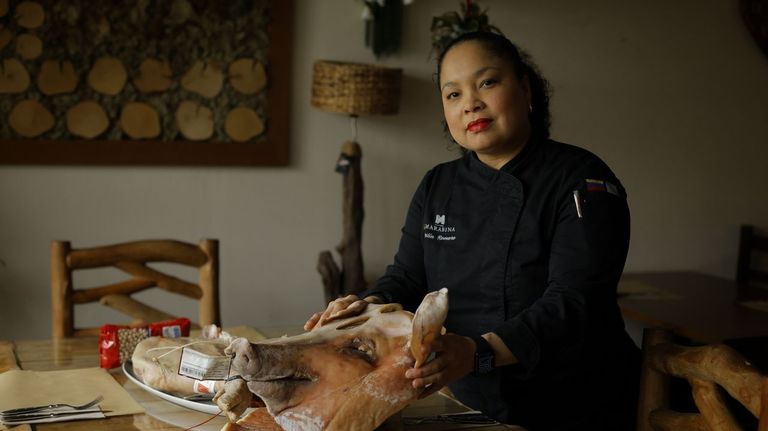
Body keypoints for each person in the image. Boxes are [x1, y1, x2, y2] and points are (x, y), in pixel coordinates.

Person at [305, 31, 640, 431]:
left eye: (487, 83)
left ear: (525, 89)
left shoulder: (581, 179)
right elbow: (409, 277)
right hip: (465, 397)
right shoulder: (438, 185)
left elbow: (575, 303)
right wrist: (364, 305)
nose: (471, 104)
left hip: (572, 403)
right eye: (453, 95)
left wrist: (474, 352)